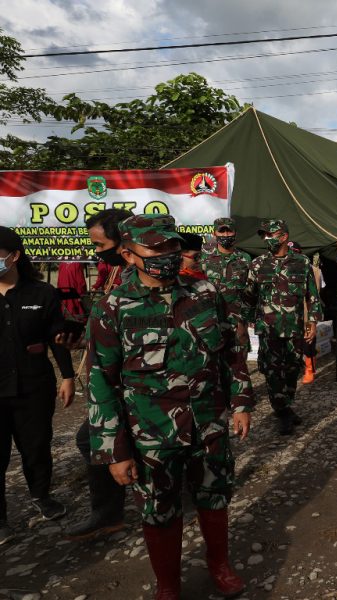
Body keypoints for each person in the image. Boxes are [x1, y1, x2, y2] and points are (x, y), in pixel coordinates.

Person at [88, 214, 253, 600]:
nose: (168, 254)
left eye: (172, 246)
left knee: (215, 495)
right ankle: (168, 584)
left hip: (208, 421)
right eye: (156, 248)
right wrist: (114, 450)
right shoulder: (113, 308)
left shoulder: (205, 292)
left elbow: (231, 352)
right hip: (151, 432)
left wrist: (242, 400)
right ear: (129, 255)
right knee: (158, 509)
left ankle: (219, 565)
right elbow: (101, 382)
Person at [0, 228, 75, 544]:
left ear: (14, 256)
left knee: (36, 446)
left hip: (34, 387)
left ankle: (41, 495)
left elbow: (57, 337)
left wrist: (68, 376)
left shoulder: (42, 293)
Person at [64, 208, 134, 541]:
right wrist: (79, 333)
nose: (96, 251)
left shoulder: (142, 277)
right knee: (93, 439)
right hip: (108, 379)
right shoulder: (113, 275)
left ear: (123, 241)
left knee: (98, 439)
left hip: (132, 384)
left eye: (100, 244)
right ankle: (109, 512)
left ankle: (112, 512)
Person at [244, 219, 322, 435]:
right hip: (269, 331)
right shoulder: (258, 264)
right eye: (264, 235)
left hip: (294, 329)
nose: (267, 239)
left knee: (292, 369)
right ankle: (282, 411)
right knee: (272, 372)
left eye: (271, 234)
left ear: (284, 236)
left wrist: (313, 322)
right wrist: (247, 320)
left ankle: (286, 404)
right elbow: (249, 296)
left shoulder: (302, 263)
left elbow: (312, 297)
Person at [203, 217, 253, 360]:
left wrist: (244, 321)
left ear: (235, 233)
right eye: (221, 231)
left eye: (229, 231)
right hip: (211, 322)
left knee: (238, 367)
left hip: (237, 322)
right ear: (214, 233)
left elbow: (249, 292)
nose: (225, 235)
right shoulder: (204, 258)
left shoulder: (244, 258)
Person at [288, 241, 325, 384]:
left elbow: (320, 289)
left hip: (307, 312)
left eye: (295, 252)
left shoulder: (315, 270)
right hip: (288, 314)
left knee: (308, 343)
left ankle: (309, 370)